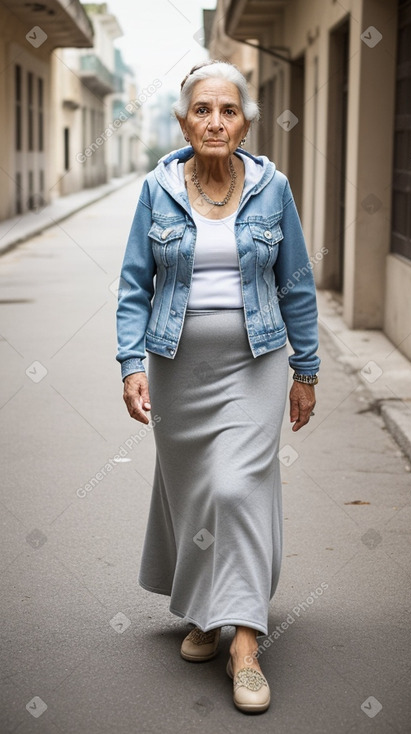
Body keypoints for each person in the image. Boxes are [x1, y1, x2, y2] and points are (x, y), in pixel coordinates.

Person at [116, 60, 320, 714]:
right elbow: (131, 287)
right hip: (176, 365)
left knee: (236, 488)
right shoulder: (157, 190)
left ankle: (244, 643)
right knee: (198, 495)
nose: (214, 121)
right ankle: (205, 612)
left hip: (254, 360)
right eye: (201, 109)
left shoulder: (272, 188)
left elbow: (295, 283)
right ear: (182, 120)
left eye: (227, 110)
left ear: (244, 121)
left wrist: (305, 370)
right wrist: (129, 363)